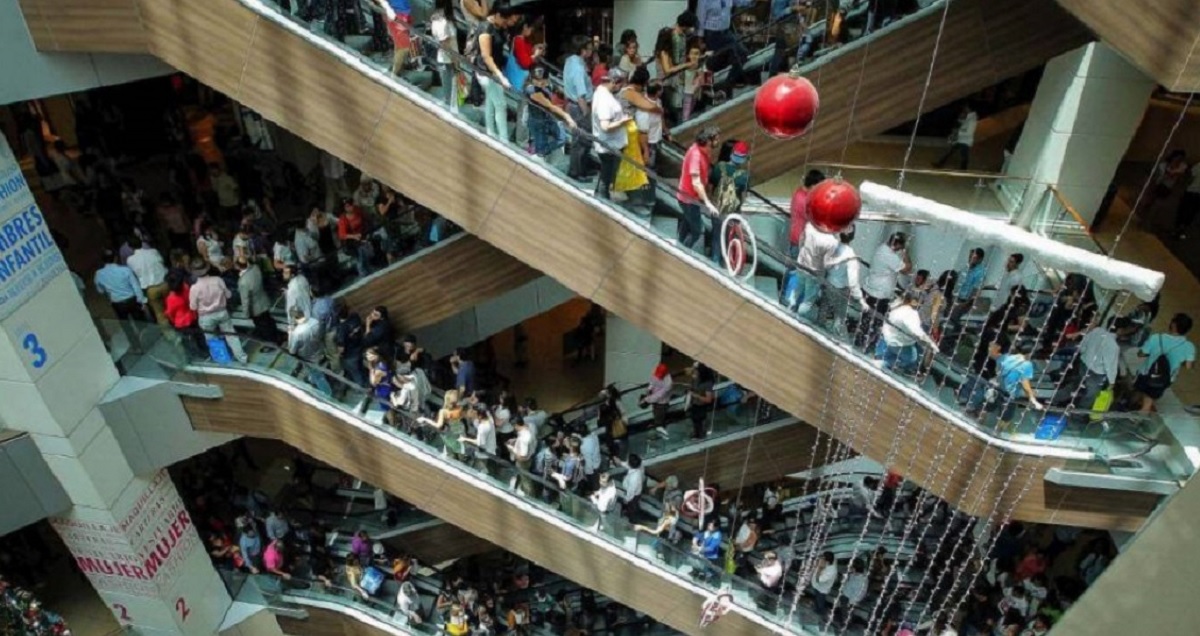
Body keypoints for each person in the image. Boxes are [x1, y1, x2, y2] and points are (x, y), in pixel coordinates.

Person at [964, 341, 1044, 433]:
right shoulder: (1027, 365)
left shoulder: (1006, 357)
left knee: (986, 408)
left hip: (996, 390)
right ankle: (996, 433)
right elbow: (1025, 384)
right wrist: (1033, 400)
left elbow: (997, 366)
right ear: (1030, 353)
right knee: (1006, 418)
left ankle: (976, 427)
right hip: (1009, 396)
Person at [613, 66, 659, 205]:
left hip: (622, 130)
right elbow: (649, 106)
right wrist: (660, 110)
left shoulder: (626, 90)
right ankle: (624, 191)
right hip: (624, 130)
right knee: (628, 164)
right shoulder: (630, 92)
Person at [859, 232, 913, 349]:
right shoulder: (889, 255)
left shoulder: (882, 248)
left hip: (871, 291)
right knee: (876, 323)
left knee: (867, 321)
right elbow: (907, 269)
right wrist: (905, 252)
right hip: (878, 296)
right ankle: (865, 345)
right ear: (898, 244)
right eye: (901, 246)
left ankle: (861, 342)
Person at [474, 5, 519, 142]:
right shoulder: (486, 29)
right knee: (500, 105)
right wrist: (501, 76)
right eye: (505, 20)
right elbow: (486, 57)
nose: (506, 24)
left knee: (490, 102)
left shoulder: (498, 26)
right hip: (487, 72)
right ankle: (503, 140)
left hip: (494, 71)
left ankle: (490, 133)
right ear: (498, 15)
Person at [189, 259, 247, 363]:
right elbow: (228, 295)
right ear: (207, 268)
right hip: (222, 312)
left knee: (212, 339)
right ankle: (242, 358)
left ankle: (222, 360)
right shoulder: (218, 280)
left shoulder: (194, 288)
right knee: (231, 336)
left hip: (206, 317)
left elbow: (193, 307)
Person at [1134, 313, 1195, 412]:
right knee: (1150, 397)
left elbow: (1140, 354)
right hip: (1165, 379)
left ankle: (1135, 417)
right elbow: (1189, 365)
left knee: (1141, 393)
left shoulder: (1156, 338)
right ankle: (1142, 409)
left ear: (1173, 325)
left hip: (1145, 374)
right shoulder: (1189, 346)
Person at [676, 126, 722, 250]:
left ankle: (679, 244)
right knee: (698, 231)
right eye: (716, 139)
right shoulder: (696, 155)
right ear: (708, 141)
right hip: (688, 199)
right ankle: (684, 250)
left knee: (687, 221)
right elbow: (696, 183)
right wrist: (708, 203)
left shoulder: (703, 151)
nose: (718, 142)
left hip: (691, 198)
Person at [591, 68, 632, 201]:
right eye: (621, 84)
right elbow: (605, 126)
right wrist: (623, 121)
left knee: (606, 174)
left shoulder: (602, 91)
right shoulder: (605, 100)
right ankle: (602, 199)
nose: (622, 88)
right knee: (606, 176)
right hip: (608, 145)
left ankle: (601, 196)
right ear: (614, 82)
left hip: (609, 143)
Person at [819, 225, 867, 336]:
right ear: (853, 237)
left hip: (828, 281)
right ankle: (834, 336)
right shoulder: (851, 257)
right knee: (839, 315)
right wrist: (860, 299)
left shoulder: (833, 246)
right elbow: (853, 282)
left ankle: (818, 326)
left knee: (824, 307)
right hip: (840, 289)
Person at [876, 291, 938, 375]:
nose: (920, 304)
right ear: (913, 301)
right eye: (920, 301)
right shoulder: (911, 314)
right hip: (899, 344)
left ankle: (881, 358)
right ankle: (886, 363)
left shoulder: (896, 305)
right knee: (912, 357)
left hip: (887, 338)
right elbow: (918, 332)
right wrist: (931, 344)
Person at [525, 66, 576, 166]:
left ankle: (540, 153)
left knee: (562, 138)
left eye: (540, 79)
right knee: (540, 150)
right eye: (535, 79)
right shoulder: (531, 90)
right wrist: (567, 117)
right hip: (537, 122)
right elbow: (550, 106)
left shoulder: (547, 86)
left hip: (548, 118)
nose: (537, 82)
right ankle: (538, 154)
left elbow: (558, 93)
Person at [710, 140, 751, 263]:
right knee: (729, 238)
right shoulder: (745, 176)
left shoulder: (719, 167)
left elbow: (711, 186)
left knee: (717, 236)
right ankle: (726, 262)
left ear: (732, 154)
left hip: (717, 209)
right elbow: (744, 196)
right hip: (733, 214)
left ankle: (714, 261)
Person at [696, 0, 753, 87]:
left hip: (726, 32)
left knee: (742, 53)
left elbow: (740, 2)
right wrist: (700, 40)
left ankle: (727, 84)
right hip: (712, 34)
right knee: (712, 63)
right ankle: (707, 90)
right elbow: (700, 18)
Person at [563, 36, 596, 181]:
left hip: (573, 105)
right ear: (583, 50)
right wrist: (586, 113)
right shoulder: (578, 68)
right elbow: (581, 95)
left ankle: (582, 169)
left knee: (580, 140)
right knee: (581, 142)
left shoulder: (571, 60)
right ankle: (577, 172)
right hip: (579, 107)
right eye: (589, 48)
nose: (592, 51)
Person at [288, 307, 334, 396]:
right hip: (320, 351)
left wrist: (290, 334)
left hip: (308, 359)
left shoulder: (297, 333)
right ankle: (312, 380)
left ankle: (328, 395)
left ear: (294, 318)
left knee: (318, 376)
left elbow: (292, 351)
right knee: (317, 371)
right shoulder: (315, 322)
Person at [125, 236, 169, 326]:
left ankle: (172, 337)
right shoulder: (153, 251)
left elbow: (134, 274)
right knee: (171, 306)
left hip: (150, 289)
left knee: (159, 314)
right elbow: (161, 262)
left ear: (130, 247)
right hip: (164, 283)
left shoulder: (130, 260)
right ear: (141, 243)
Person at [236, 258, 278, 343]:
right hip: (264, 300)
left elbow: (245, 300)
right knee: (269, 321)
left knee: (263, 327)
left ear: (237, 266)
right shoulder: (256, 268)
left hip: (255, 308)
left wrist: (246, 313)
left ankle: (271, 343)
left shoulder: (243, 282)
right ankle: (277, 336)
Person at [788, 169, 825, 258]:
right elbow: (814, 218)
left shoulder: (800, 193)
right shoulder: (802, 200)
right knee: (797, 268)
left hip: (800, 239)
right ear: (812, 185)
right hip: (800, 241)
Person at [948, 247, 987, 329]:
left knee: (953, 317)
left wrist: (963, 305)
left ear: (980, 259)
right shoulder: (966, 267)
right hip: (957, 297)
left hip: (967, 302)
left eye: (973, 258)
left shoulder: (980, 273)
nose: (970, 260)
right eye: (970, 257)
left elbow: (975, 292)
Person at [430, 7, 460, 109]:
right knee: (449, 93)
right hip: (447, 61)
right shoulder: (442, 22)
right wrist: (456, 62)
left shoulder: (438, 19)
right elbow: (445, 45)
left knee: (452, 91)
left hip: (447, 59)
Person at [337, 198, 375, 278]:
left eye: (350, 205)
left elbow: (367, 220)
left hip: (363, 238)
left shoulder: (358, 210)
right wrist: (354, 236)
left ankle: (371, 273)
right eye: (347, 206)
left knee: (367, 258)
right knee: (360, 261)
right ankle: (363, 276)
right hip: (353, 243)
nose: (349, 208)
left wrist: (367, 233)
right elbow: (342, 235)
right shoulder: (343, 218)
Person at [934, 103, 977, 170]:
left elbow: (969, 132)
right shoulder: (970, 117)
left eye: (966, 107)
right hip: (962, 140)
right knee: (956, 153)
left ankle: (941, 164)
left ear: (969, 108)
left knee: (961, 155)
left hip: (965, 141)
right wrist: (960, 120)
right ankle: (941, 164)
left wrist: (957, 132)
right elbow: (964, 125)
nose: (964, 109)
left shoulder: (972, 120)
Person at [461, 403, 497, 476]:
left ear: (480, 415)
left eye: (474, 412)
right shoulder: (487, 416)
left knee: (482, 468)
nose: (472, 413)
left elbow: (479, 443)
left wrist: (465, 439)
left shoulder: (483, 427)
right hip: (489, 445)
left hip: (485, 451)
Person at [640, 363, 674, 439]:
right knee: (656, 414)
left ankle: (659, 432)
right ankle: (657, 425)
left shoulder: (668, 382)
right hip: (655, 400)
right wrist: (649, 389)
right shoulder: (656, 374)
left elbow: (659, 395)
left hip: (662, 403)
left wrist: (647, 399)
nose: (658, 376)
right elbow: (652, 382)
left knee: (660, 418)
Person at [687, 363, 717, 439]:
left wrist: (696, 396)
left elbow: (708, 399)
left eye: (697, 370)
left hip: (701, 406)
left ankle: (700, 435)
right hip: (694, 404)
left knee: (699, 421)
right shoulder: (696, 378)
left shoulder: (707, 384)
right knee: (694, 420)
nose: (695, 372)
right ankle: (696, 433)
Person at [1173, 159, 1200, 239]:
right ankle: (1182, 230)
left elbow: (1190, 177)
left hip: (1191, 191)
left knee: (1183, 210)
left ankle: (1177, 229)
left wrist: (1183, 186)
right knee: (1192, 213)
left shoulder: (1198, 165)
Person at [810, 551, 838, 618]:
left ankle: (820, 613)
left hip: (822, 589)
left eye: (822, 558)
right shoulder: (825, 564)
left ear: (827, 561)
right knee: (816, 599)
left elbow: (819, 580)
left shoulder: (831, 570)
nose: (820, 559)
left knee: (820, 602)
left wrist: (820, 568)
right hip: (816, 586)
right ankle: (816, 609)